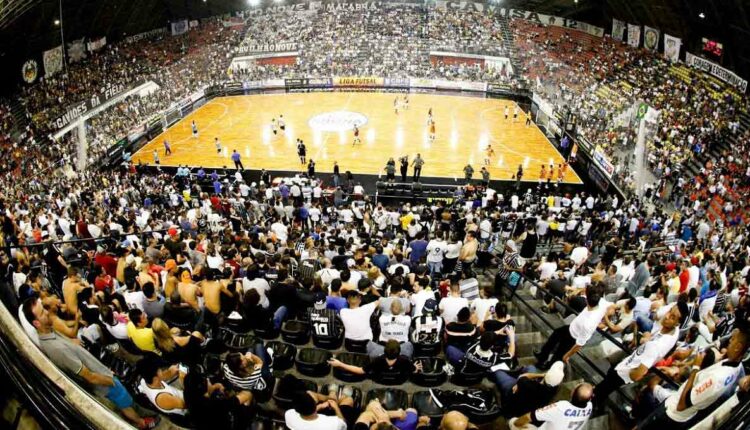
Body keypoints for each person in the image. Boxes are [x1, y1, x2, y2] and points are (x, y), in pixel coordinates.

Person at [23, 298, 159, 429]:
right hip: (104, 383)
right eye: (42, 312)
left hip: (102, 373)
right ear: (36, 323)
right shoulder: (56, 348)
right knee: (124, 403)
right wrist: (109, 380)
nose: (47, 313)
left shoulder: (50, 332)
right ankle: (141, 422)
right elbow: (88, 376)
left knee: (126, 400)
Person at [641, 328, 750, 429]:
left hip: (672, 414)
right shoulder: (736, 366)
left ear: (738, 347)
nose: (729, 341)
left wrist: (696, 367)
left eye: (733, 339)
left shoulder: (717, 378)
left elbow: (681, 405)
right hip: (677, 407)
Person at [593, 305, 683, 407]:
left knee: (604, 387)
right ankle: (597, 399)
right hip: (628, 364)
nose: (667, 316)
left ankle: (591, 400)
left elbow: (638, 374)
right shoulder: (674, 332)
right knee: (607, 386)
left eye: (673, 317)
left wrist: (628, 372)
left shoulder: (656, 346)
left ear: (677, 323)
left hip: (624, 372)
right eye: (669, 312)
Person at [533, 283, 608, 367]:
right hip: (570, 328)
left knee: (559, 353)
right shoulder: (602, 303)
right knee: (553, 338)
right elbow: (612, 307)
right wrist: (605, 318)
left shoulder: (588, 324)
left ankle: (547, 366)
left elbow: (579, 344)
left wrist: (567, 355)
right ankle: (542, 356)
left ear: (587, 301)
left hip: (573, 338)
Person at [329, 339, 422, 385]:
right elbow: (414, 370)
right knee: (409, 344)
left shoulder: (377, 360)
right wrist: (415, 367)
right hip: (399, 380)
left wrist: (340, 364)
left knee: (370, 344)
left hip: (379, 380)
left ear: (384, 351)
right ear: (399, 352)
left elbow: (360, 370)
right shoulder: (405, 361)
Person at [493, 361, 564, 418]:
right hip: (527, 404)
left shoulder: (527, 384)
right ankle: (517, 373)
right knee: (531, 367)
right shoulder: (552, 393)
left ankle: (515, 372)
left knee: (498, 372)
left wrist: (541, 375)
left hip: (512, 395)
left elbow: (522, 377)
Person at [509, 383, 594, 430]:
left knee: (512, 421)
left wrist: (516, 423)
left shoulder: (561, 407)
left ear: (572, 393)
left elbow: (529, 416)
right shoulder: (590, 406)